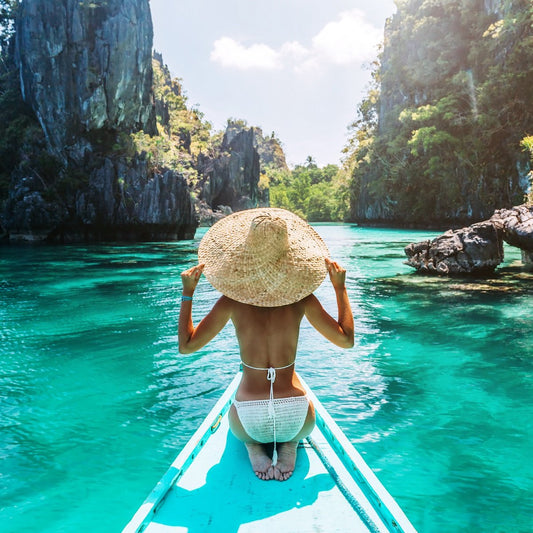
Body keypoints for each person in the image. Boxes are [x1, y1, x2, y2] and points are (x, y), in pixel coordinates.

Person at [178, 208, 354, 482]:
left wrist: (188, 293)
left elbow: (186, 346)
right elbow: (346, 340)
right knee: (294, 390)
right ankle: (290, 443)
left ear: (244, 256)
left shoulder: (231, 303)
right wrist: (339, 288)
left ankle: (253, 446)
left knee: (245, 424)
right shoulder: (302, 300)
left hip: (248, 421)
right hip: (298, 418)